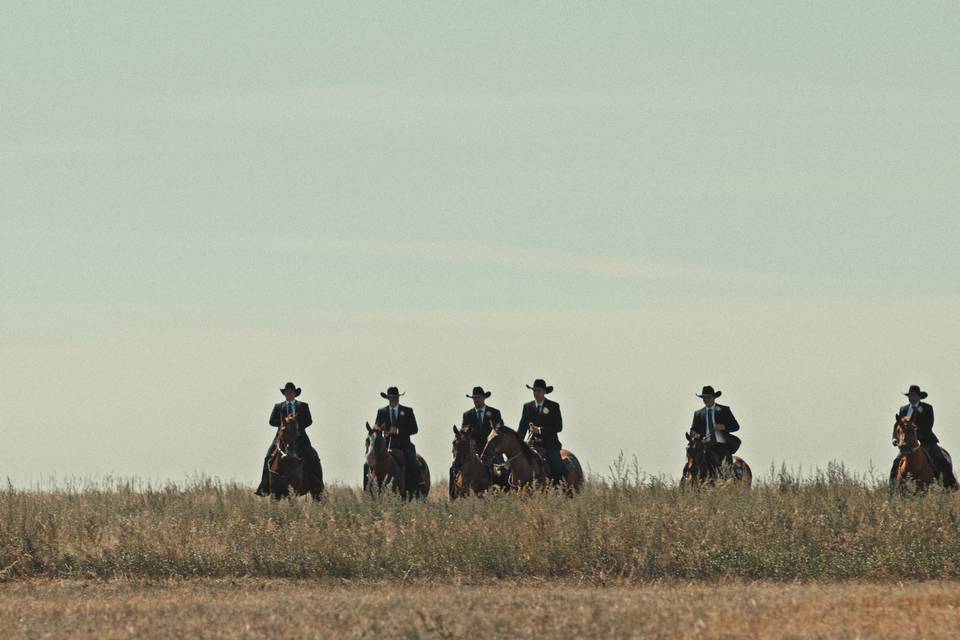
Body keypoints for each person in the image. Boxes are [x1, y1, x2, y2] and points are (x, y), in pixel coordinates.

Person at [255, 382, 324, 496]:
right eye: (287, 392)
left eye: (291, 392)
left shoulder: (303, 406)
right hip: (281, 438)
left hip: (300, 438)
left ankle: (317, 485)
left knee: (313, 456)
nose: (289, 394)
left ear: (295, 394)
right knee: (268, 457)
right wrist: (284, 424)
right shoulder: (278, 407)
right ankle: (264, 487)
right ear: (284, 394)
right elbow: (271, 421)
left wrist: (296, 424)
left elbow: (309, 420)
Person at [891, 385, 957, 489]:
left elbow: (929, 424)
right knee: (896, 461)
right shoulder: (903, 409)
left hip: (926, 441)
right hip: (908, 444)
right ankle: (892, 488)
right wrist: (894, 438)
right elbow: (898, 425)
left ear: (919, 397)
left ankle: (950, 483)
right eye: (910, 396)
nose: (911, 398)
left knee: (940, 457)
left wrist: (917, 433)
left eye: (914, 396)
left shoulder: (927, 408)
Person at [366, 386, 423, 492]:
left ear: (398, 398)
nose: (393, 400)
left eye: (395, 397)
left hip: (404, 445)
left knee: (413, 463)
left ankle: (419, 490)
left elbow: (414, 429)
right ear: (387, 398)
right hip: (386, 446)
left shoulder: (407, 411)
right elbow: (377, 428)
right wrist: (381, 431)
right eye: (391, 398)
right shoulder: (381, 412)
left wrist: (398, 431)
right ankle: (367, 492)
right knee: (367, 464)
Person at [449, 386, 503, 498]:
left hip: (491, 450)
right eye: (474, 398)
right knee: (453, 468)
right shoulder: (467, 415)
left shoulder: (494, 413)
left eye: (478, 398)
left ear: (484, 398)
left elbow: (499, 431)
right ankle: (452, 496)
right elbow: (464, 431)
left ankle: (504, 492)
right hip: (472, 450)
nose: (476, 400)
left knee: (501, 467)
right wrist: (465, 434)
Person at [517, 379, 564, 485]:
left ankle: (560, 487)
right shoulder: (527, 407)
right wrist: (518, 442)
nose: (536, 393)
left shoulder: (553, 406)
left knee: (557, 466)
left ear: (544, 392)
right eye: (534, 391)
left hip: (550, 444)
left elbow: (558, 427)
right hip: (532, 444)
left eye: (538, 391)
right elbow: (522, 428)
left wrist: (540, 430)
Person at [688, 385, 742, 476]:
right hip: (704, 445)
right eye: (704, 398)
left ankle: (735, 477)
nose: (706, 399)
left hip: (721, 444)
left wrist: (723, 427)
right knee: (691, 464)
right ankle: (685, 482)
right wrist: (695, 435)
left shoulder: (724, 410)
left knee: (727, 467)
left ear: (714, 398)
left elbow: (736, 426)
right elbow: (692, 430)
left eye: (708, 397)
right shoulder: (698, 414)